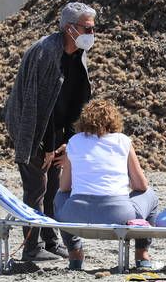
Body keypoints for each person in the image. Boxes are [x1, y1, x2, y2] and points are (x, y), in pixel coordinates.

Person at [4, 2, 95, 263]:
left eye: (93, 28)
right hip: (31, 131)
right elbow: (34, 104)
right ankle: (31, 247)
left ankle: (51, 241)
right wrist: (41, 146)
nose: (92, 33)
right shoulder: (45, 53)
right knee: (36, 189)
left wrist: (67, 143)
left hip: (58, 133)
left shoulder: (79, 54)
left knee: (56, 189)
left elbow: (76, 103)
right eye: (87, 28)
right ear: (70, 28)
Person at [54, 99, 159, 271]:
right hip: (118, 216)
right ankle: (142, 255)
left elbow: (65, 187)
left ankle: (75, 254)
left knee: (60, 197)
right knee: (151, 196)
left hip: (76, 215)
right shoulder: (122, 141)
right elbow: (141, 185)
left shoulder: (74, 141)